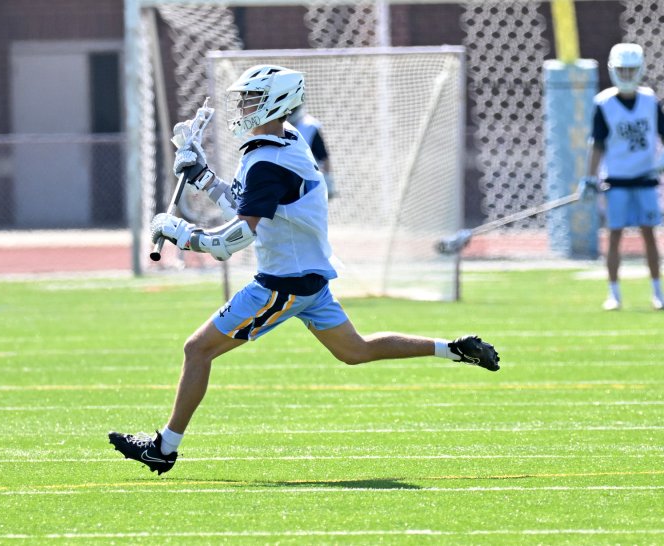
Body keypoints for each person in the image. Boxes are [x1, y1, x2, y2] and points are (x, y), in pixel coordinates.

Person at [108, 65, 500, 475]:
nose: (242, 107)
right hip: (308, 279)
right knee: (356, 351)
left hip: (281, 284)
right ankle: (453, 348)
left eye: (251, 99)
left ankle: (164, 448)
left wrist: (182, 234)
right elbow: (249, 202)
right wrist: (201, 175)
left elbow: (231, 242)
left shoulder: (266, 161)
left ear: (274, 102)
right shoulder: (287, 140)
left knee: (198, 349)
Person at [582, 43, 664, 311]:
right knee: (614, 236)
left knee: (649, 235)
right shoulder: (604, 103)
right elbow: (598, 144)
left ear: (640, 69)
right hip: (617, 181)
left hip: (645, 180)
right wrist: (590, 178)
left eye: (631, 70)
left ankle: (658, 292)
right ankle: (614, 294)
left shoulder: (650, 100)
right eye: (622, 70)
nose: (626, 75)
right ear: (614, 70)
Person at [288, 106, 336, 198]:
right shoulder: (277, 127)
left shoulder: (309, 126)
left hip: (308, 185)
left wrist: (327, 180)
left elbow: (323, 157)